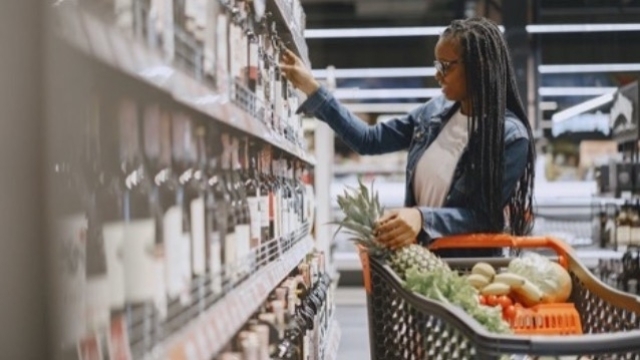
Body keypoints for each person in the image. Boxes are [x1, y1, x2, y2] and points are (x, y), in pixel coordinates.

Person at [280, 17, 536, 257]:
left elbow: (484, 217)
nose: (438, 75)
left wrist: (422, 218)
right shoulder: (432, 114)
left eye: (446, 66)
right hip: (419, 263)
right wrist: (312, 88)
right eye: (437, 65)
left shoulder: (510, 138)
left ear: (479, 67)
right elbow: (369, 140)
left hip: (468, 271)